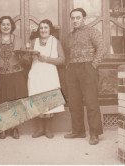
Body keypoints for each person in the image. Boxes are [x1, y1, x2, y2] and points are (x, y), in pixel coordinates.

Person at [64, 8, 105, 145]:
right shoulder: (70, 36)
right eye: (73, 18)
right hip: (72, 70)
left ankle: (94, 133)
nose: (75, 20)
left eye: (78, 17)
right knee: (74, 102)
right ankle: (78, 131)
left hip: (88, 68)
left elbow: (102, 48)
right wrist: (69, 67)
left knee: (91, 101)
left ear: (84, 18)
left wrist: (93, 65)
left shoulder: (92, 31)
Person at [0, 16, 28, 139]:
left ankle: (15, 128)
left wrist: (24, 56)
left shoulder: (18, 39)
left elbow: (25, 58)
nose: (6, 26)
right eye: (3, 24)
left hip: (16, 74)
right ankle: (2, 128)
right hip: (0, 75)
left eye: (8, 24)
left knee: (15, 101)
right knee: (1, 102)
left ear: (12, 26)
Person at [28, 19, 65, 139]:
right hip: (36, 74)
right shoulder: (34, 41)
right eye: (41, 28)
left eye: (46, 28)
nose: (43, 30)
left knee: (49, 101)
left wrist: (47, 59)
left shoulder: (56, 42)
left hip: (49, 75)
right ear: (38, 30)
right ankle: (40, 129)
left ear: (50, 30)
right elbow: (26, 59)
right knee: (37, 100)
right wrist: (27, 55)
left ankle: (48, 129)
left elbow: (62, 60)